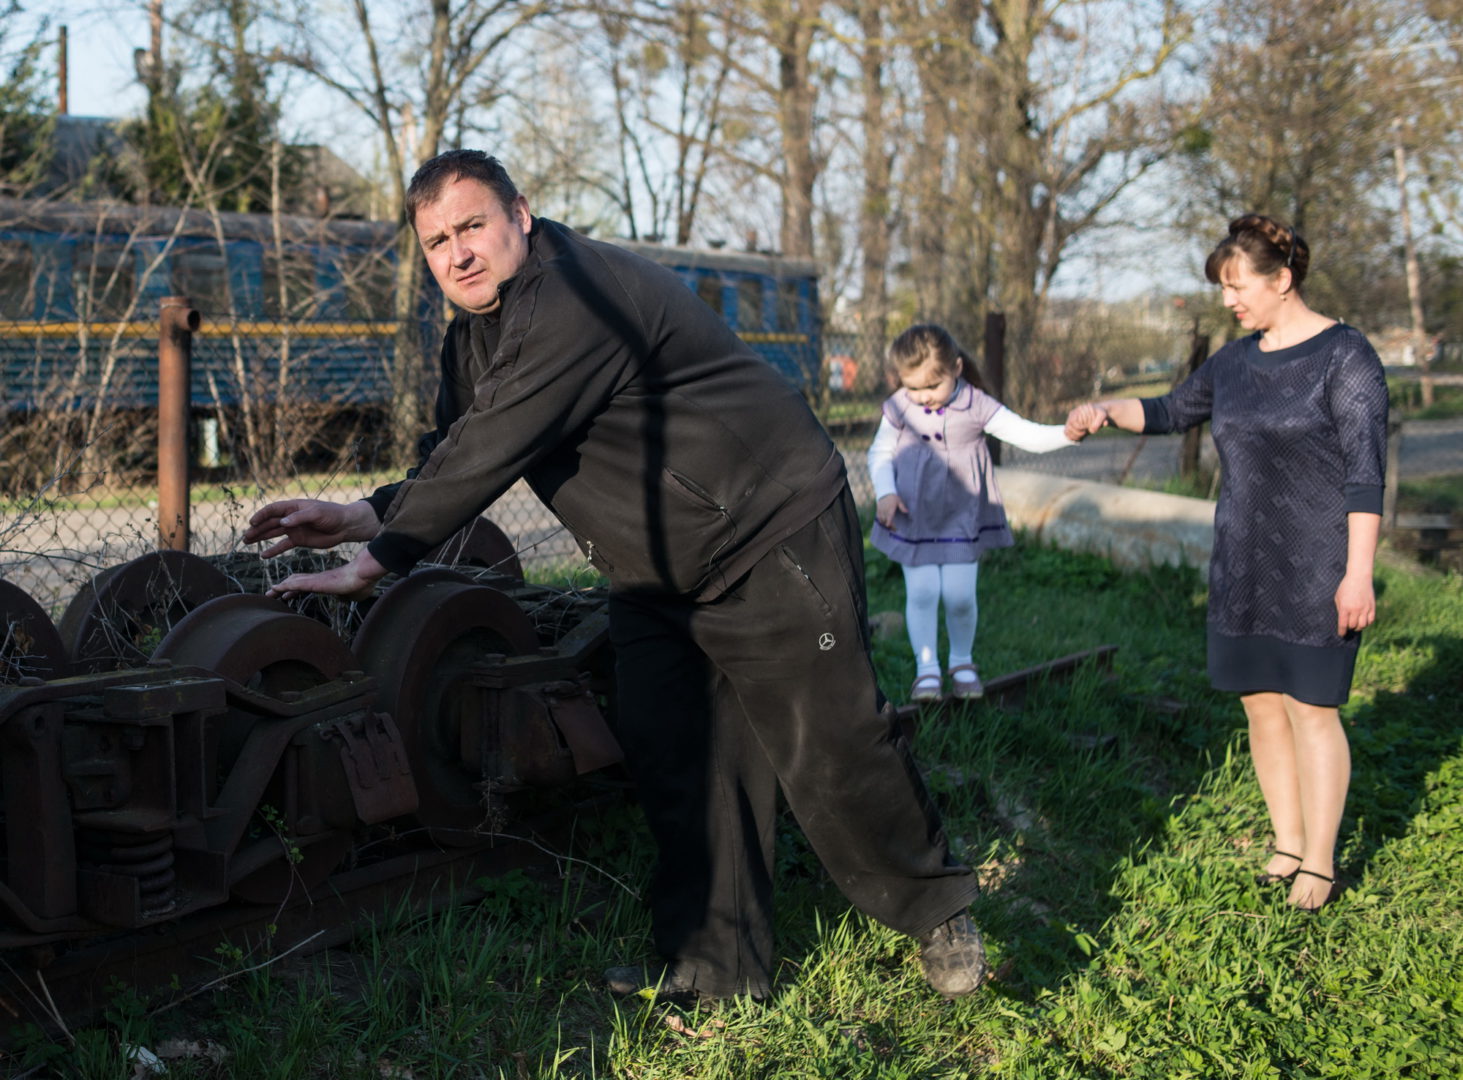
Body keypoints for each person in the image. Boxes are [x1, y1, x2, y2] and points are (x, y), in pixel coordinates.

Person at [242, 149, 986, 1002]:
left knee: (830, 738)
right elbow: (457, 453)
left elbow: (493, 444)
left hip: (764, 524)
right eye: (438, 242)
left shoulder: (574, 297)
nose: (458, 254)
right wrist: (366, 514)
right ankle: (716, 970)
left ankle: (938, 910)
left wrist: (378, 560)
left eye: (473, 226)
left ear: (521, 214)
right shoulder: (472, 341)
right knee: (678, 759)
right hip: (655, 570)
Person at [1064, 214, 1388, 912]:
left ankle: (1321, 862)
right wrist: (1101, 409)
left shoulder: (1345, 357)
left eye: (1237, 286)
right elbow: (1168, 410)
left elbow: (1365, 476)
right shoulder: (1234, 362)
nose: (1228, 301)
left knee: (1312, 710)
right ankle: (1286, 842)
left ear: (1282, 278)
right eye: (1222, 289)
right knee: (1260, 707)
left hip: (1316, 566)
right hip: (1241, 562)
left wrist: (1357, 573)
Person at [868, 324, 1079, 702]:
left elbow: (1025, 434)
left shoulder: (976, 404)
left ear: (957, 368)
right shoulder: (900, 405)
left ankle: (962, 662)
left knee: (960, 595)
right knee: (922, 591)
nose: (923, 397)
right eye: (913, 387)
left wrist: (1069, 432)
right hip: (912, 514)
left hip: (960, 517)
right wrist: (885, 492)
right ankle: (927, 668)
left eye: (933, 385)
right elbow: (880, 452)